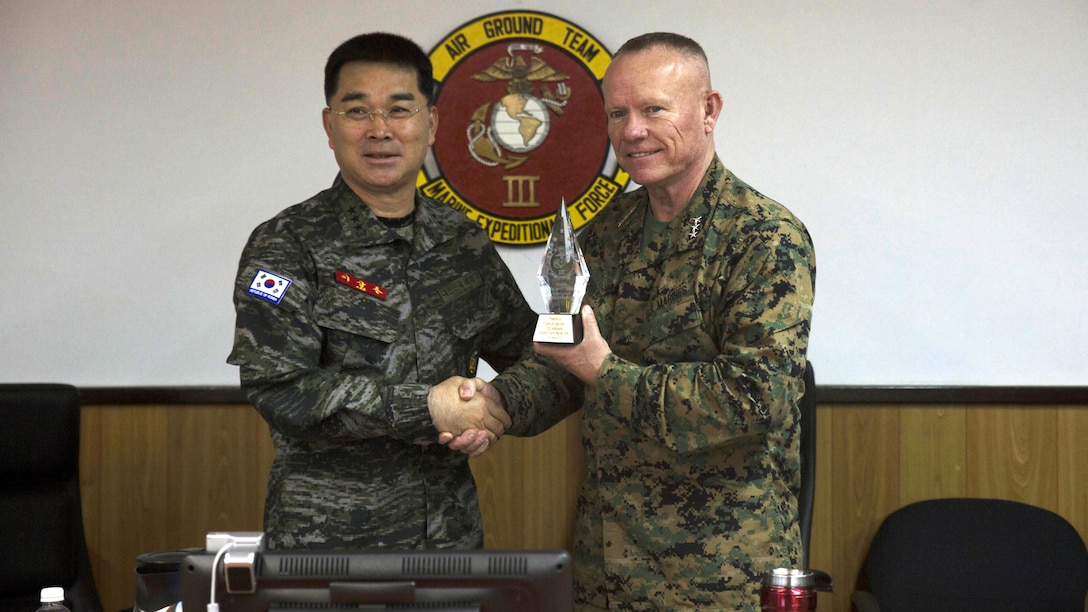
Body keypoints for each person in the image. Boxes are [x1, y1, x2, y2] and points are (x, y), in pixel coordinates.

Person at [448, 32, 816, 610]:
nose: (632, 130)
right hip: (608, 565)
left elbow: (754, 398)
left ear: (709, 110)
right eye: (618, 113)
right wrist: (496, 406)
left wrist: (606, 371)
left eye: (653, 109)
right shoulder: (607, 231)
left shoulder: (763, 237)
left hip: (718, 575)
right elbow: (565, 364)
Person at [227, 32, 534, 551]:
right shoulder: (286, 244)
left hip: (448, 545)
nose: (380, 130)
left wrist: (495, 408)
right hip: (328, 551)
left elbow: (527, 353)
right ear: (330, 126)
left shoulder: (462, 242)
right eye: (357, 111)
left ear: (430, 123)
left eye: (399, 109)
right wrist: (428, 407)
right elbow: (279, 387)